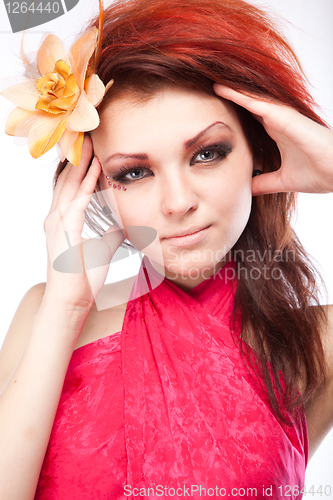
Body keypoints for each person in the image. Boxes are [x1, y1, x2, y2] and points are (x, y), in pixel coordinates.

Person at [0, 0, 333, 498]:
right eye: (133, 172)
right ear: (96, 188)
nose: (178, 203)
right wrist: (66, 308)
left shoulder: (317, 345)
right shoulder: (44, 315)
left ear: (258, 152)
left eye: (207, 154)